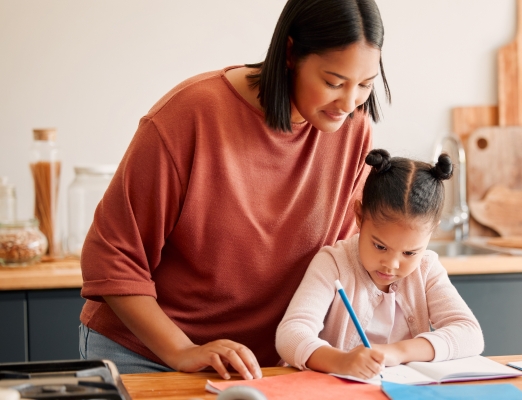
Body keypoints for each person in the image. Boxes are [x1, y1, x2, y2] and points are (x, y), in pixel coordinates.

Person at [78, 0, 390, 380]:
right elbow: (112, 255)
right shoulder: (190, 114)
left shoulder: (353, 131)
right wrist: (182, 351)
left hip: (262, 367)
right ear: (291, 53)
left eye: (365, 85)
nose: (349, 102)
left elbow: (340, 260)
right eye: (333, 82)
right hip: (148, 354)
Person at [276, 149, 484, 379]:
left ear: (431, 234)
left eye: (409, 252)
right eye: (380, 247)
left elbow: (470, 333)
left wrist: (396, 352)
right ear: (359, 216)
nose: (392, 264)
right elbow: (290, 335)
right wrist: (341, 361)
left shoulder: (426, 269)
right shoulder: (333, 263)